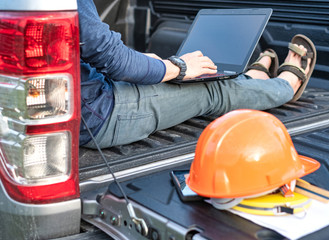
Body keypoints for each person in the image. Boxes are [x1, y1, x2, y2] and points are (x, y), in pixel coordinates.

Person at [77, 0, 316, 149]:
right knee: (210, 87)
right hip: (100, 115)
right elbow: (111, 58)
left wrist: (146, 62)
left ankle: (253, 80)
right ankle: (286, 85)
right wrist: (179, 68)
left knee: (189, 71)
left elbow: (87, 49)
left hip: (85, 100)